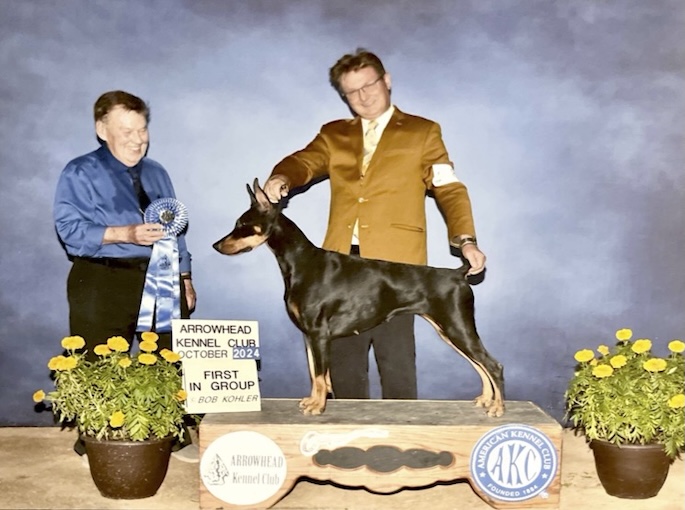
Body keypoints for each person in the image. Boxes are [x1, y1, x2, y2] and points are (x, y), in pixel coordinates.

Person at [263, 49, 486, 401]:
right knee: (344, 371)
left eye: (369, 85)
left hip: (395, 269)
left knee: (397, 367)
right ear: (343, 96)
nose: (363, 96)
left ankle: (404, 434)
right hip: (339, 271)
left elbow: (448, 188)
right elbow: (304, 161)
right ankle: (348, 432)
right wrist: (282, 176)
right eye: (352, 92)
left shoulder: (422, 131)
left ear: (387, 80)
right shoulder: (334, 133)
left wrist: (466, 239)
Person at [53, 90, 198, 462]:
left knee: (168, 360)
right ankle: (97, 440)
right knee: (98, 363)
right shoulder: (79, 171)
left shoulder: (158, 172)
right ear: (102, 130)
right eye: (127, 131)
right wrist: (125, 233)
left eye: (142, 130)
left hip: (161, 277)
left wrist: (184, 276)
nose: (137, 139)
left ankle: (171, 434)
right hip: (102, 277)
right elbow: (69, 230)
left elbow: (176, 230)